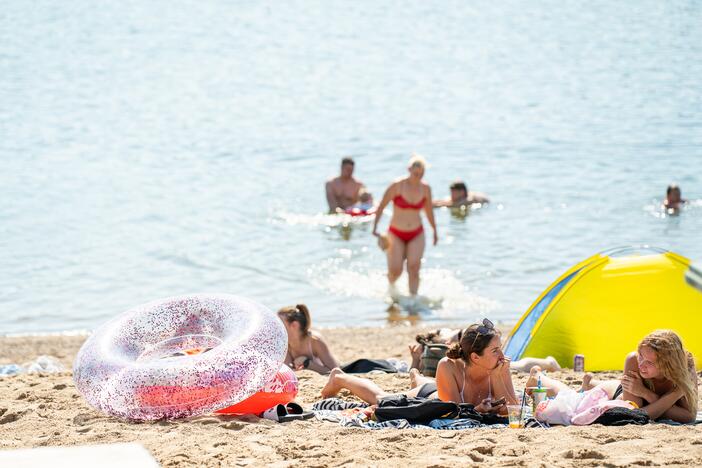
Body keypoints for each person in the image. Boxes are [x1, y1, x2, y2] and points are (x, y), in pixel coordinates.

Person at [321, 319, 518, 415]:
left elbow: (514, 410)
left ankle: (415, 375)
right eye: (495, 351)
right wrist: (478, 410)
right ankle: (339, 377)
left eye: (500, 349)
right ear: (475, 357)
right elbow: (453, 412)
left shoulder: (500, 367)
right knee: (382, 399)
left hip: (438, 387)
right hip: (431, 396)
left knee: (422, 381)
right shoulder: (448, 367)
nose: (502, 356)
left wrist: (499, 378)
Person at [529, 330, 698, 423]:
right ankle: (538, 376)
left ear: (667, 364)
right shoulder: (633, 360)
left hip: (632, 391)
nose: (641, 365)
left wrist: (646, 394)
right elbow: (635, 412)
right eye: (641, 356)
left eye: (649, 362)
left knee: (587, 389)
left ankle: (590, 383)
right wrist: (675, 395)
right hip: (618, 394)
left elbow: (688, 416)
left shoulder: (685, 367)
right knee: (572, 396)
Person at [372, 154, 438, 298]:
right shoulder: (397, 186)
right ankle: (391, 291)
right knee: (396, 270)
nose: (418, 177)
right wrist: (375, 227)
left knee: (414, 268)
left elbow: (429, 211)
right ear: (409, 169)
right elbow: (382, 206)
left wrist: (435, 231)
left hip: (416, 233)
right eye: (416, 173)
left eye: (421, 174)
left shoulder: (425, 188)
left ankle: (413, 301)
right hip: (396, 233)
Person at [410, 328, 561, 373]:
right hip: (479, 361)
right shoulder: (432, 354)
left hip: (482, 359)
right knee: (519, 365)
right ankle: (548, 362)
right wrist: (415, 359)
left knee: (518, 365)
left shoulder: (445, 336)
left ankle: (548, 362)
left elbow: (466, 332)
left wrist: (415, 360)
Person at [277, 304, 340, 374]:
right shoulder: (285, 343)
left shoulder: (314, 340)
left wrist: (307, 363)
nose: (276, 327)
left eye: (280, 324)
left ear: (294, 325)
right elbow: (288, 371)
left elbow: (336, 371)